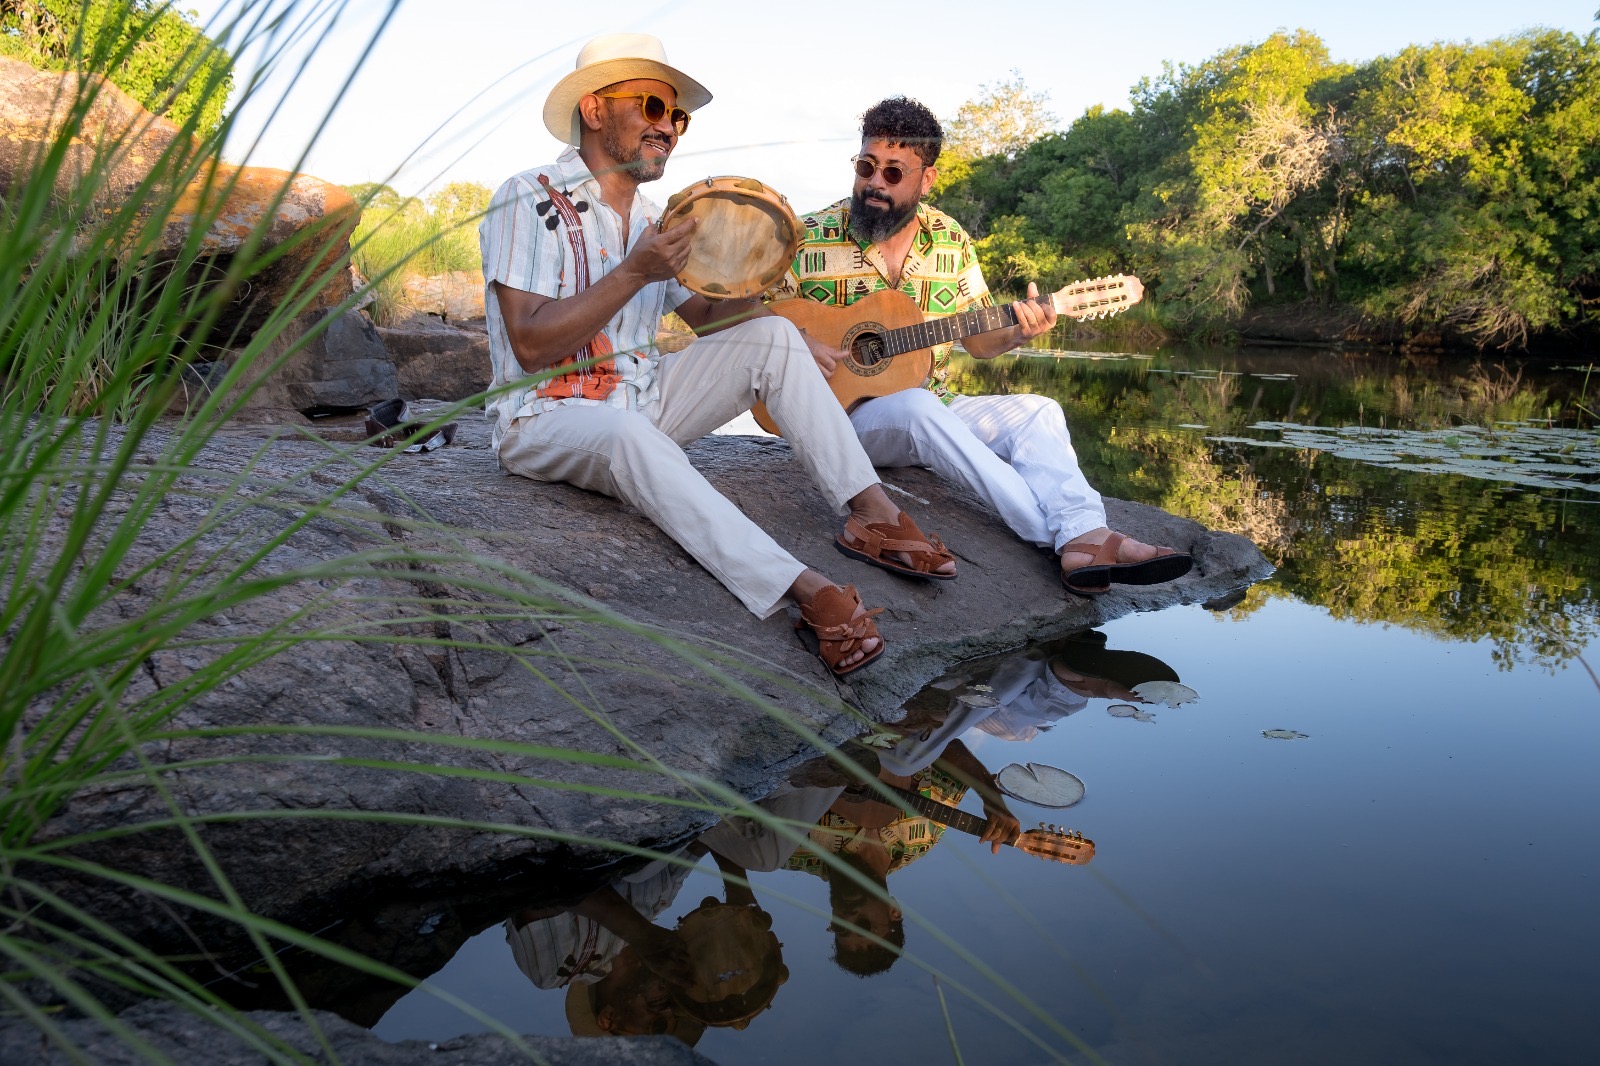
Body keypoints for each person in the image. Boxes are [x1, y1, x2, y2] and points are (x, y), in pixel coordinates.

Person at [479, 37, 956, 678]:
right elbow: (533, 345)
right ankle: (804, 588)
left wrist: (759, 280)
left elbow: (704, 314)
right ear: (594, 109)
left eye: (677, 116)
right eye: (652, 105)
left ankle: (871, 513)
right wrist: (635, 271)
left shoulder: (655, 215)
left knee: (775, 336)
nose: (667, 127)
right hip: (544, 417)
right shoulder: (526, 197)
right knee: (625, 435)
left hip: (642, 402)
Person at [774, 97, 1193, 596]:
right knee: (917, 406)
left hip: (938, 410)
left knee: (1038, 411)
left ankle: (1083, 534)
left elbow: (979, 340)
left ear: (926, 179)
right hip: (837, 422)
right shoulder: (807, 236)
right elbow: (751, 317)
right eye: (866, 167)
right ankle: (1064, 538)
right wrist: (800, 340)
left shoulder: (950, 240)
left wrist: (1018, 330)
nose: (875, 183)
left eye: (893, 172)